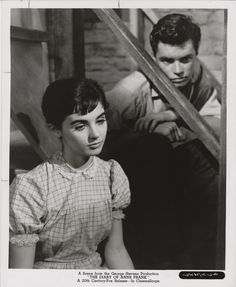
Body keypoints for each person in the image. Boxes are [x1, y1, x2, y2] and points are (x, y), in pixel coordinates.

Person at [104, 13, 221, 269]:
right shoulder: (129, 92)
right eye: (167, 61)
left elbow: (220, 124)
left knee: (214, 167)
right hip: (133, 178)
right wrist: (145, 133)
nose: (177, 70)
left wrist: (176, 115)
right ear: (154, 58)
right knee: (155, 150)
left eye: (185, 59)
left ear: (195, 54)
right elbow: (94, 146)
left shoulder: (198, 76)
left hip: (175, 168)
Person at [9, 78, 134, 269]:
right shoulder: (33, 186)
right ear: (56, 129)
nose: (95, 134)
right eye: (80, 126)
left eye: (100, 121)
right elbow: (21, 274)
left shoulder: (111, 175)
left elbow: (116, 251)